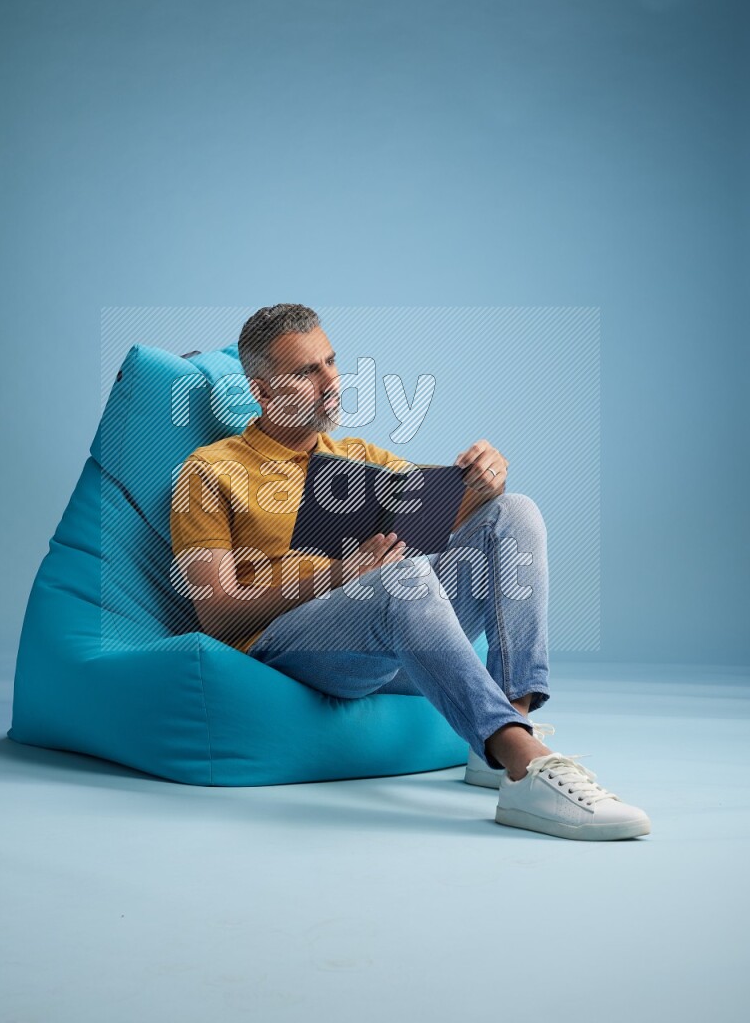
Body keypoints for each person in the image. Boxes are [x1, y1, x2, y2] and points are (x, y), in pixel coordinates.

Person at [170, 304, 651, 842]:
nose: (332, 381)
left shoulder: (356, 457)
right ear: (261, 392)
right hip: (286, 650)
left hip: (384, 638)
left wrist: (484, 482)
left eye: (331, 362)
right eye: (308, 372)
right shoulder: (209, 469)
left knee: (516, 512)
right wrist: (337, 575)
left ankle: (502, 735)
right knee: (405, 580)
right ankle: (525, 762)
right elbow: (213, 611)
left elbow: (459, 515)